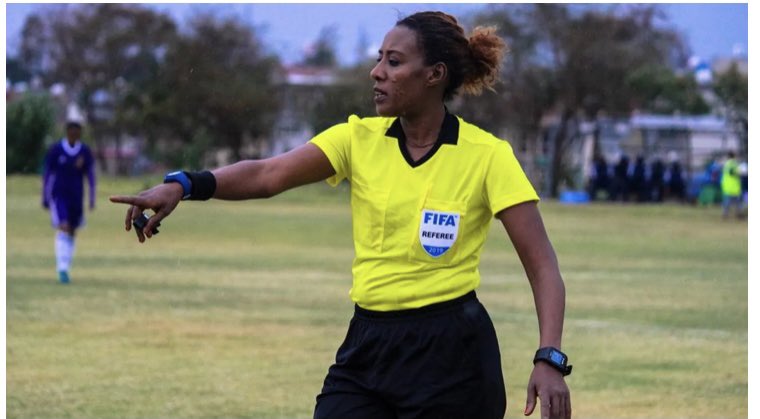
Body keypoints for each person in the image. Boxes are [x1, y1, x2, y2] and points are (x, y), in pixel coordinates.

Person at [111, 11, 571, 419]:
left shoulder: (487, 155)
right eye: (379, 58)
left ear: (434, 74)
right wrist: (185, 184)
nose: (377, 72)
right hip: (368, 344)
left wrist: (548, 358)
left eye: (394, 62)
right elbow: (268, 174)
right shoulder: (357, 140)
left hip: (453, 355)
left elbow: (542, 266)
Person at [42, 120, 96, 284]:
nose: (74, 134)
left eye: (77, 132)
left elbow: (90, 175)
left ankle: (66, 266)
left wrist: (92, 196)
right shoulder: (56, 150)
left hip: (76, 197)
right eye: (71, 131)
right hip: (59, 195)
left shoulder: (84, 151)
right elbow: (48, 173)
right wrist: (45, 196)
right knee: (63, 226)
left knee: (72, 230)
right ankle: (62, 268)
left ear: (79, 133)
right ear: (67, 132)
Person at [721, 151, 742, 219]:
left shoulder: (726, 163)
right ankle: (738, 214)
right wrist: (739, 172)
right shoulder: (734, 163)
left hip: (727, 185)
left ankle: (725, 214)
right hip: (734, 186)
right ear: (734, 156)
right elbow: (732, 172)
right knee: (737, 202)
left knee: (727, 202)